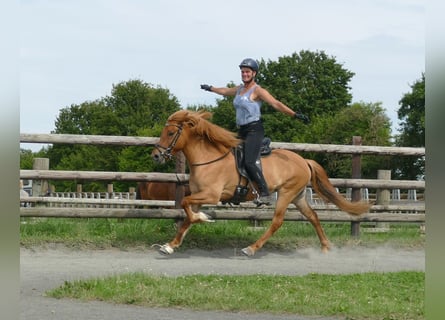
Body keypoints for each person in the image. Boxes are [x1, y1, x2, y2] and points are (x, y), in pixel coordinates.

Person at [200, 58, 309, 205]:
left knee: (250, 162)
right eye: (243, 72)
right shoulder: (239, 89)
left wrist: (294, 114)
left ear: (254, 73)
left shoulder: (258, 91)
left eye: (247, 72)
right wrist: (210, 88)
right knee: (228, 157)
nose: (244, 74)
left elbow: (275, 103)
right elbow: (225, 91)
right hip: (241, 131)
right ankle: (235, 191)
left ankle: (264, 193)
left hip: (254, 130)